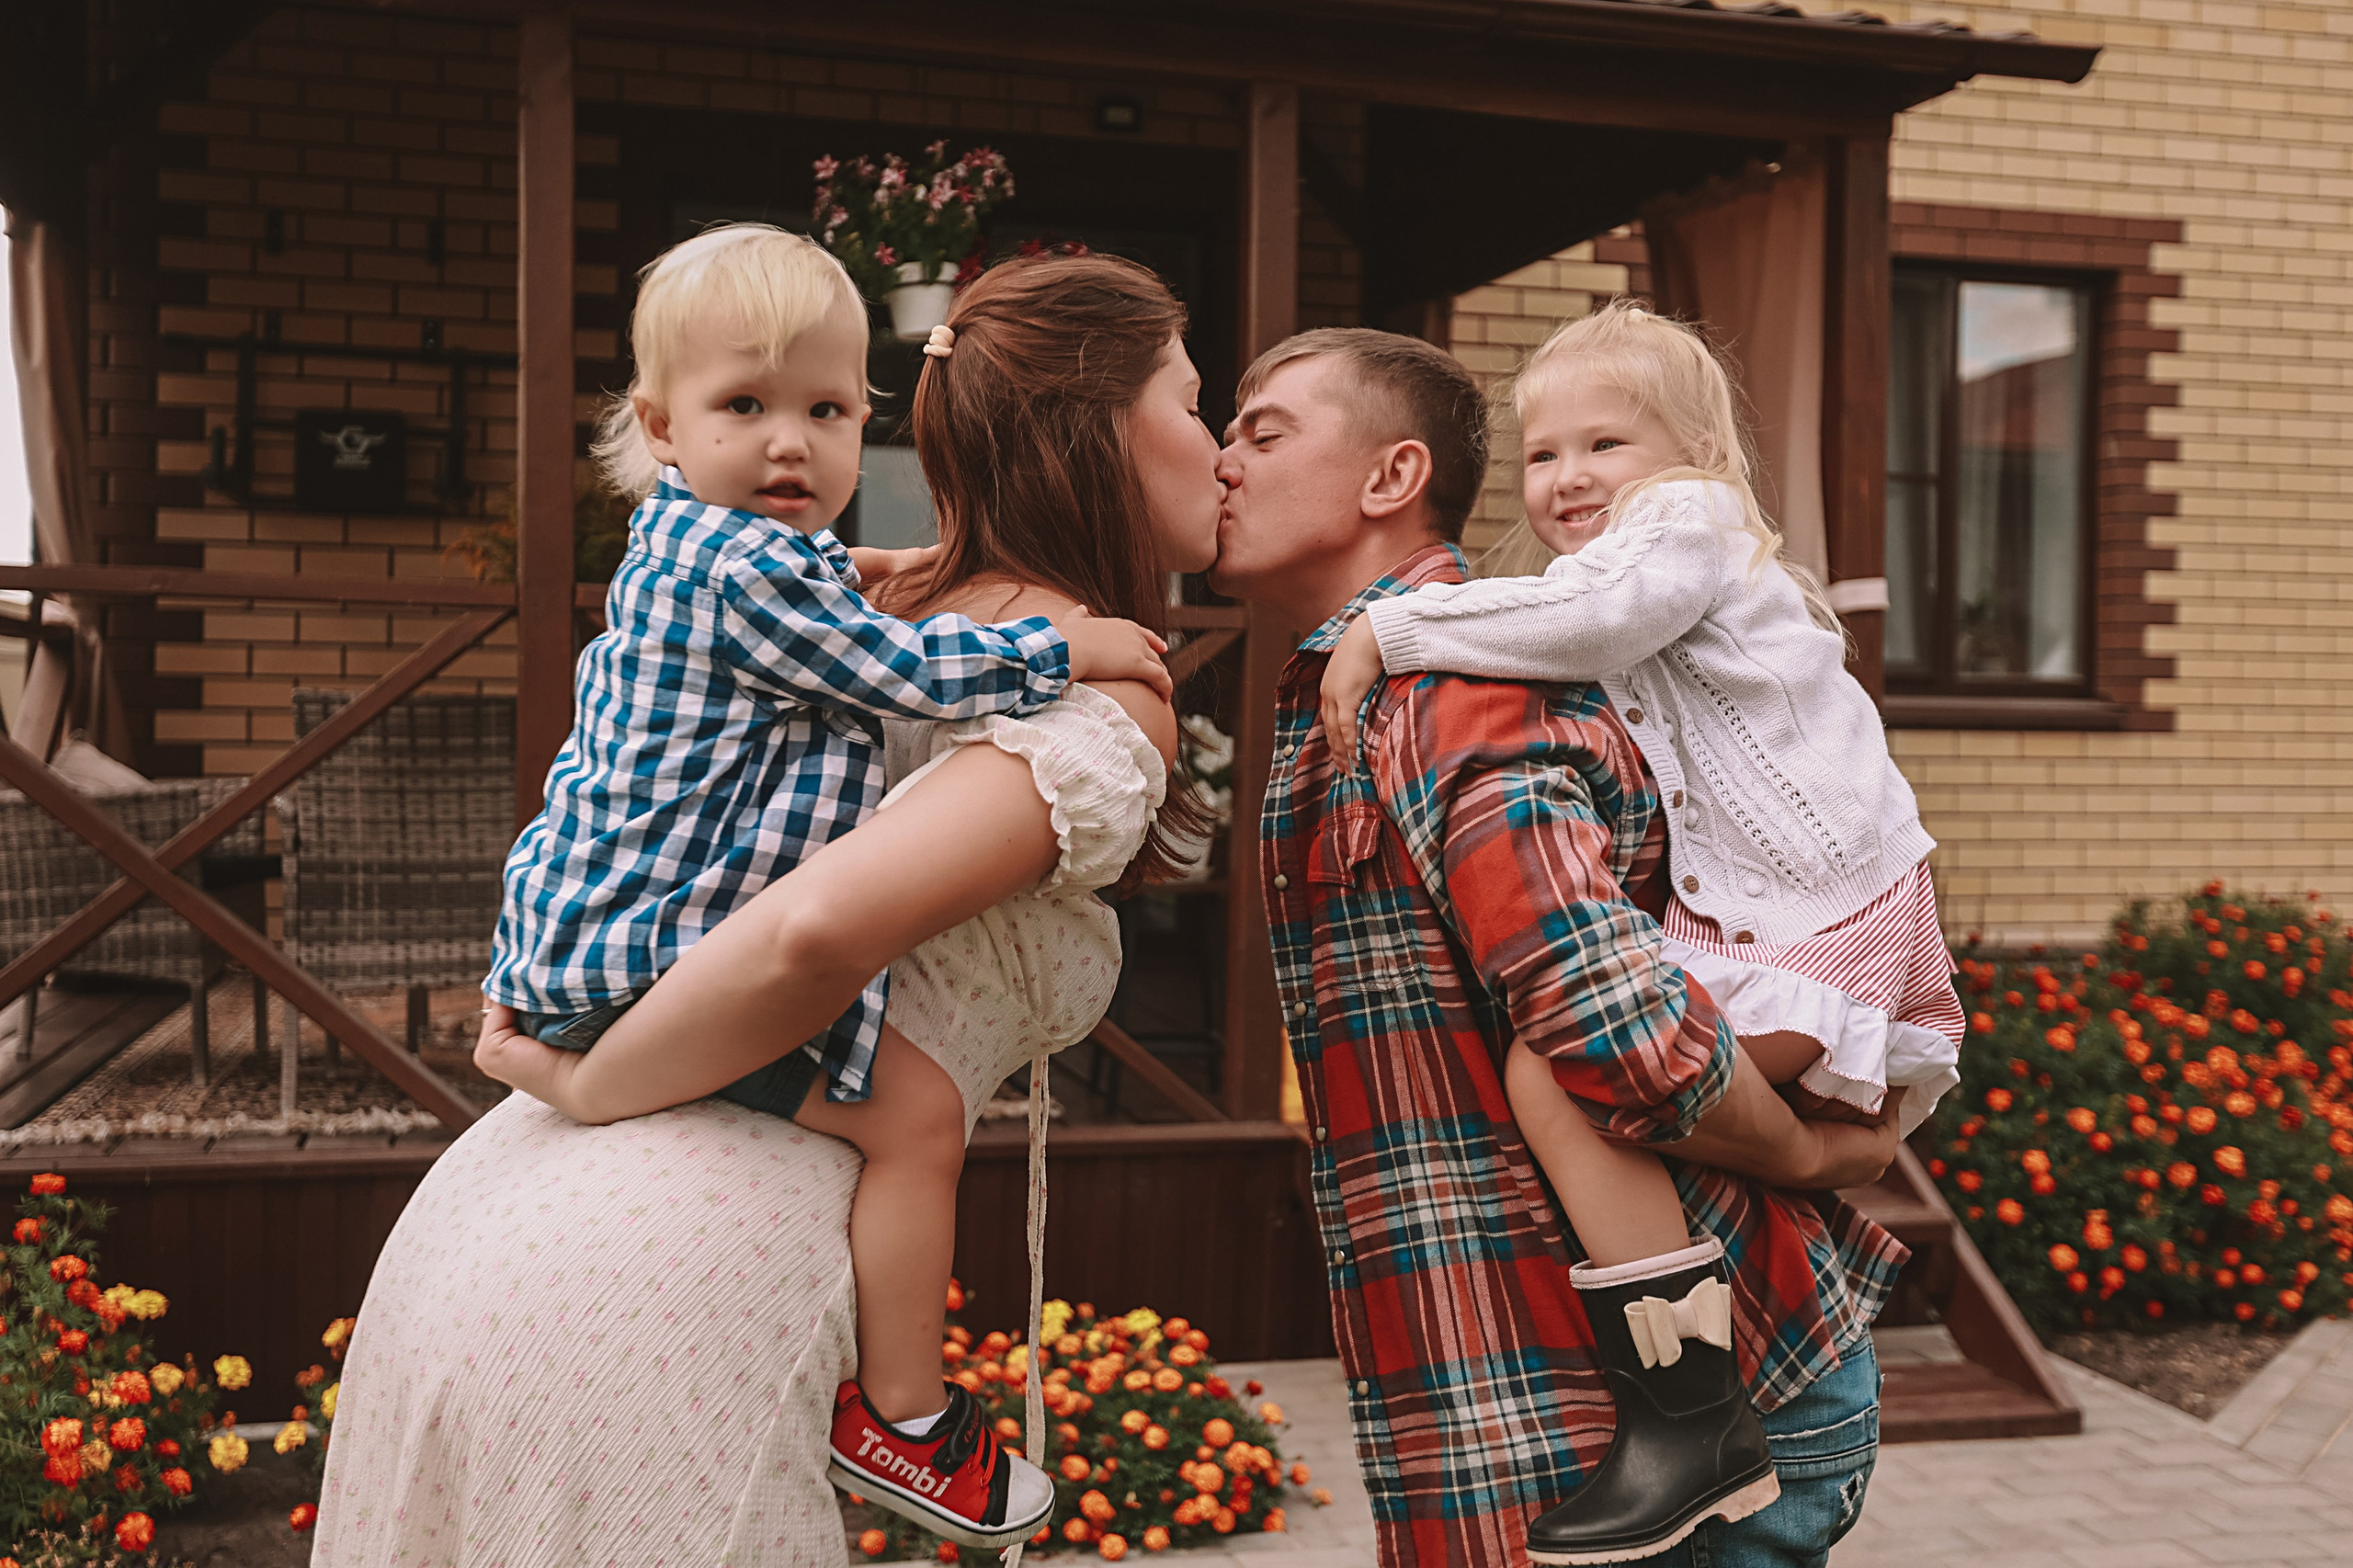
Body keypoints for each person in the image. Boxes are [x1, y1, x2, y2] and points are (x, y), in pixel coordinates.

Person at [313, 252, 1216, 1566]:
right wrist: (597, 1079)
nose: (1221, 445)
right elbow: (805, 934)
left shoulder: (852, 598)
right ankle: (908, 1416)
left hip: (494, 1225)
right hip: (666, 1295)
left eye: (831, 411)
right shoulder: (1067, 686)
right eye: (1197, 404)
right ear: (1096, 432)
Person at [1209, 325, 1907, 1568]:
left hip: (1669, 1431)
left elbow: (1620, 1035)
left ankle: (1689, 1415)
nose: (1222, 461)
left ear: (1390, 477)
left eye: (1260, 432)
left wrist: (1804, 1144)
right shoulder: (1369, 682)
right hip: (1544, 1422)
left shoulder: (1443, 680)